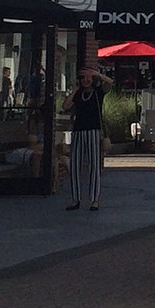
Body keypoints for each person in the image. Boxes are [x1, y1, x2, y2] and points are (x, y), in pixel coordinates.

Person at [66, 65, 110, 211]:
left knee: (94, 165)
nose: (86, 80)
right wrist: (74, 90)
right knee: (75, 165)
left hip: (93, 130)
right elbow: (66, 106)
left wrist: (97, 74)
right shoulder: (78, 94)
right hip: (78, 130)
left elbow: (110, 83)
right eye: (83, 78)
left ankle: (94, 199)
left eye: (88, 78)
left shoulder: (98, 92)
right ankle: (75, 198)